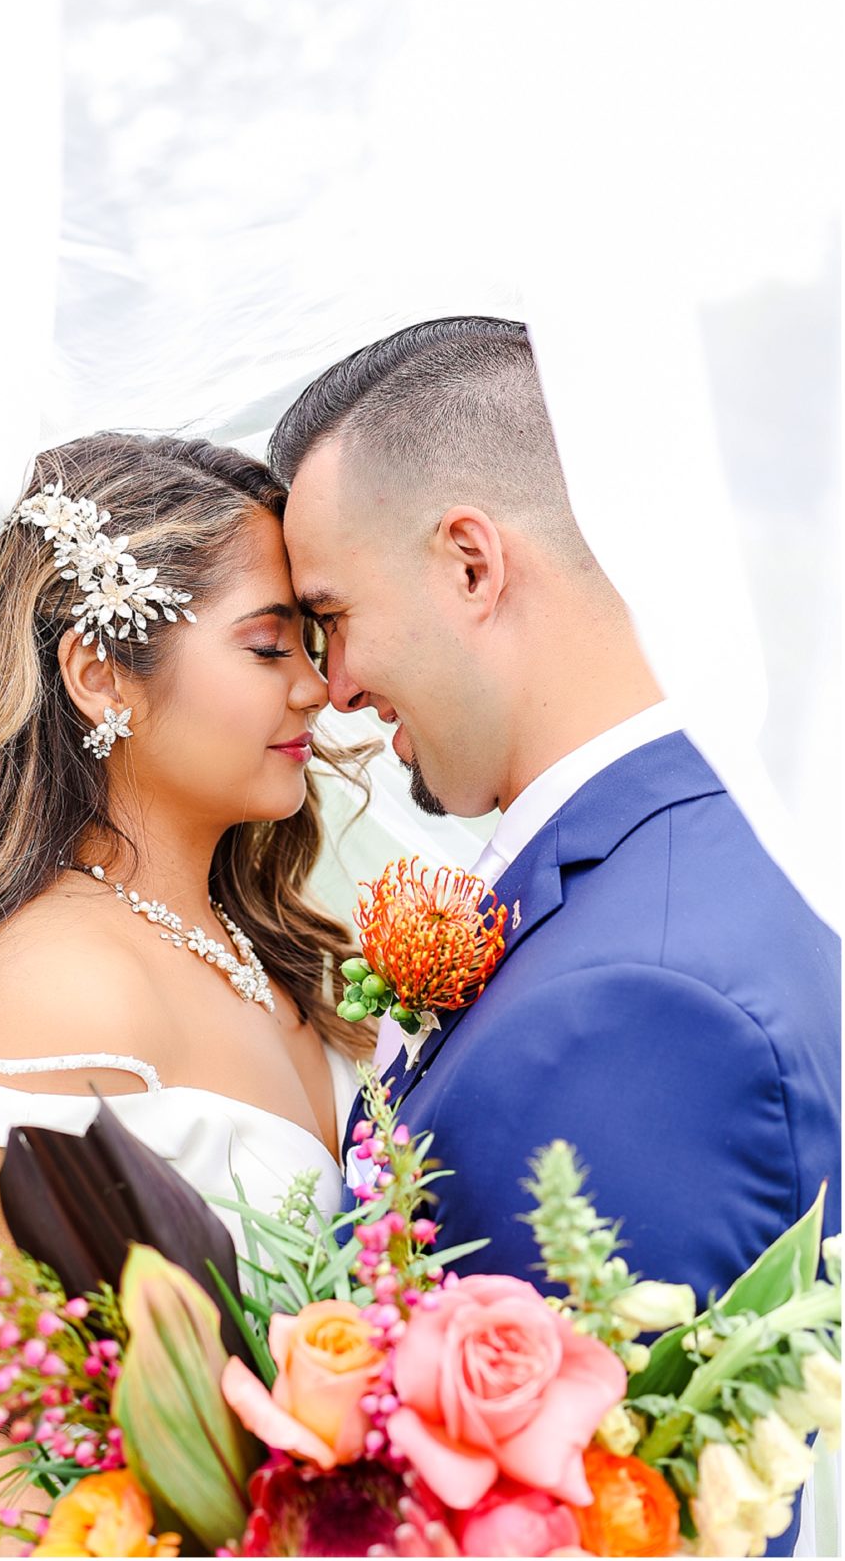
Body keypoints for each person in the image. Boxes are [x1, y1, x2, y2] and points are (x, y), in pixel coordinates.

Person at [272, 316, 841, 1558]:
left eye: (331, 615)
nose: (332, 685)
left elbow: (614, 1514)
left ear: (472, 563)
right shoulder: (688, 852)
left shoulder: (641, 1003)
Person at [0, 433, 374, 1551]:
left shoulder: (269, 944)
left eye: (310, 641)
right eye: (266, 646)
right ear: (100, 673)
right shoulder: (55, 988)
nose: (316, 686)